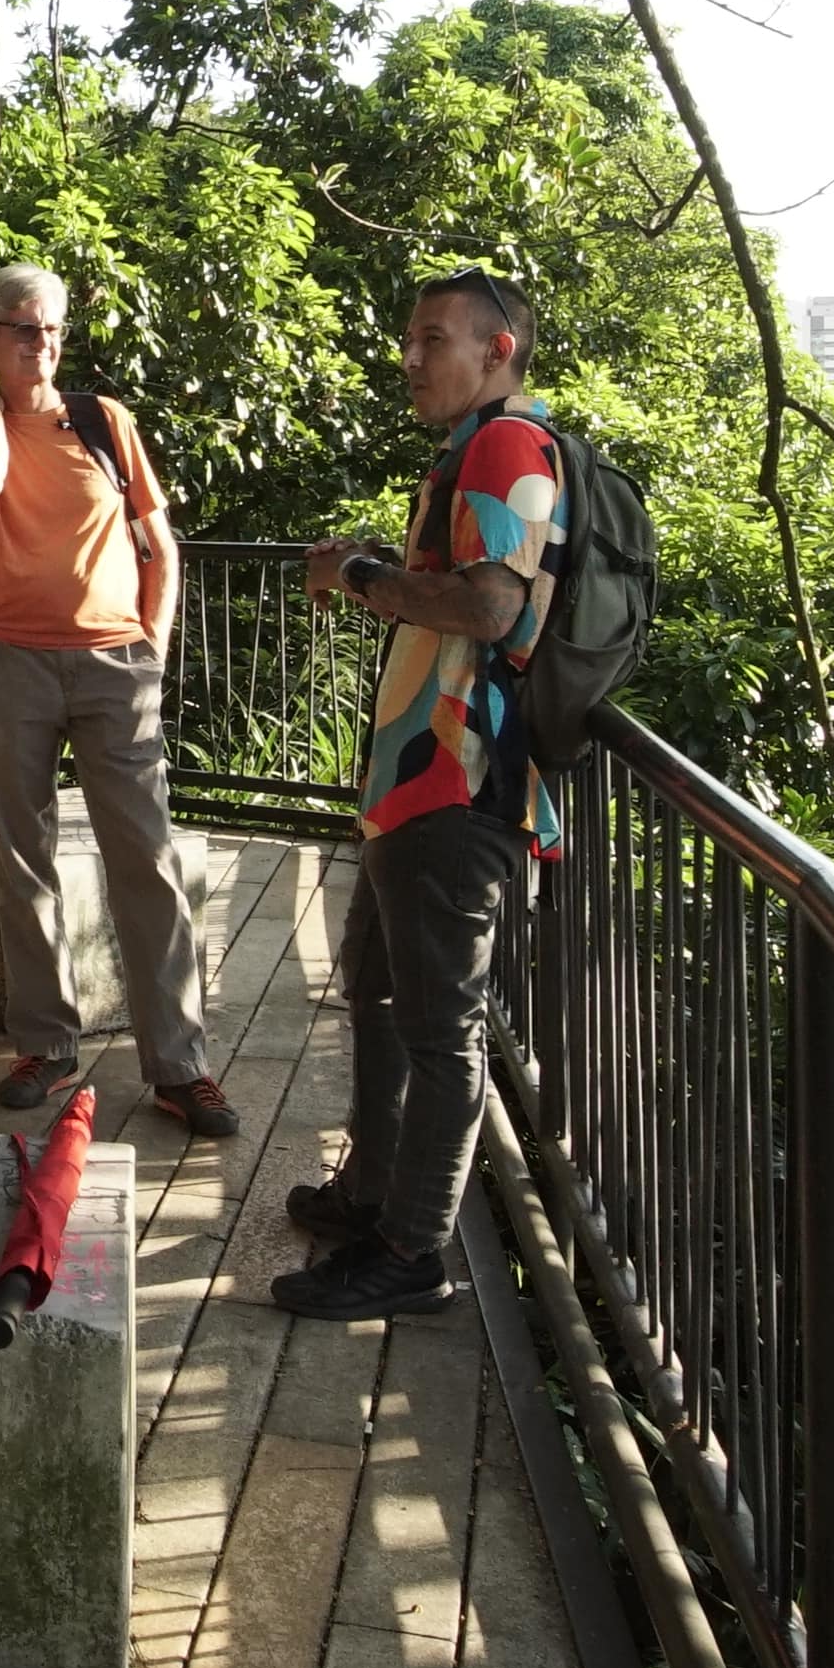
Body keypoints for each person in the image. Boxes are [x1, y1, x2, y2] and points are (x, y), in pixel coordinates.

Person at [278, 269, 570, 1322]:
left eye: (432, 337)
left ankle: (411, 1251)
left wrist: (357, 575)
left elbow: (489, 609)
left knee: (440, 1030)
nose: (410, 356)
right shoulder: (470, 449)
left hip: (460, 784)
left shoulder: (505, 444)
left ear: (497, 350)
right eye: (408, 337)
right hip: (418, 784)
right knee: (375, 989)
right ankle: (371, 1194)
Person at [0, 264, 237, 1139]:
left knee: (145, 858)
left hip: (113, 664)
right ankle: (44, 1044)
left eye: (56, 330)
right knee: (21, 861)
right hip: (7, 665)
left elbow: (159, 544)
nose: (46, 345)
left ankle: (181, 1065)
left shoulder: (105, 423)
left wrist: (153, 646)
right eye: (26, 329)